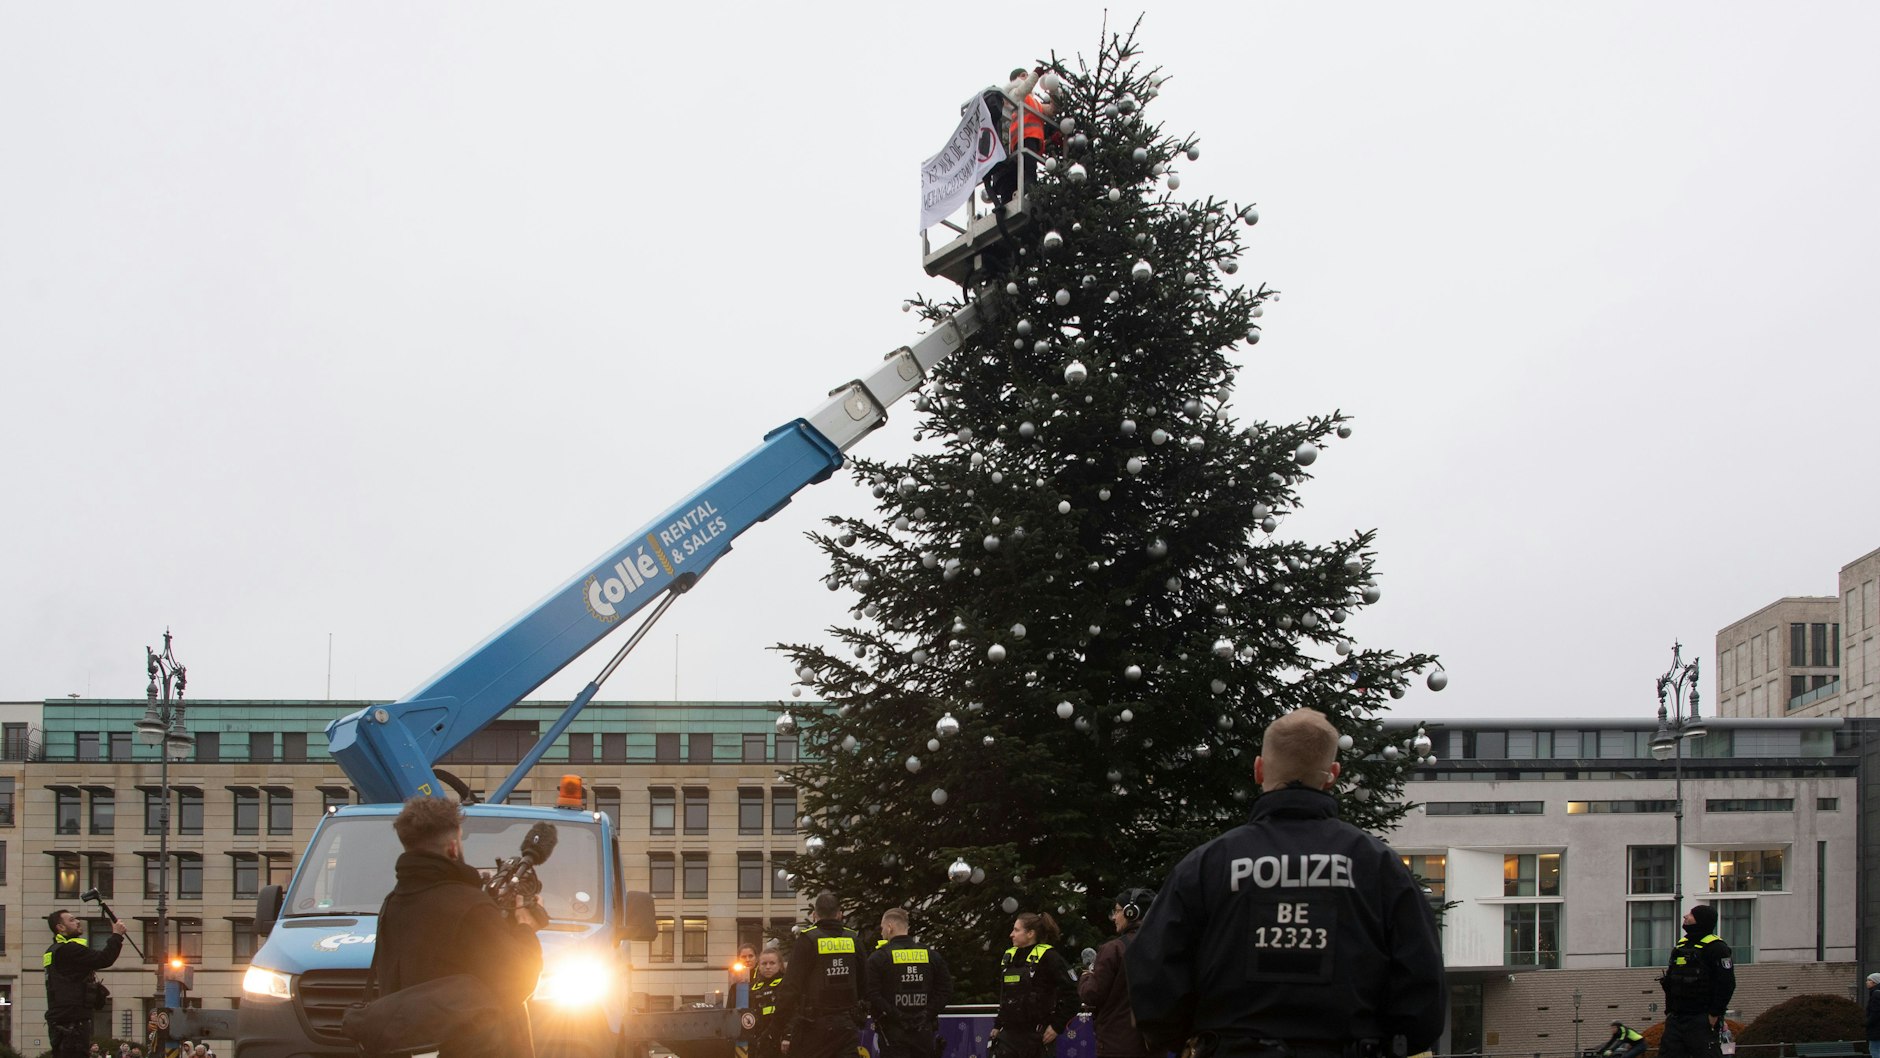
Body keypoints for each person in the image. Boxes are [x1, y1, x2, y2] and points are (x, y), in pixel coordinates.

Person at [1126, 708, 1447, 1058]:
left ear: (1259, 769)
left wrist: (1180, 1038)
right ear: (1332, 776)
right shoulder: (1378, 866)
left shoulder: (1207, 865)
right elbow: (1421, 988)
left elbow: (1154, 973)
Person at [373, 796, 546, 1058]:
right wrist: (525, 928)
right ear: (453, 848)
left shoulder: (393, 903)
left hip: (409, 1046)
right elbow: (518, 982)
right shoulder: (470, 905)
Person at [778, 891, 864, 1058]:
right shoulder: (854, 940)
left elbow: (791, 987)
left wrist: (777, 1025)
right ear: (840, 914)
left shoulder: (807, 940)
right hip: (846, 1024)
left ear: (815, 915)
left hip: (814, 1026)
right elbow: (863, 983)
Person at [865, 908, 953, 1058]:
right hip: (923, 1032)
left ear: (889, 927)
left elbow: (871, 994)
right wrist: (926, 1014)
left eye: (882, 928)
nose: (881, 932)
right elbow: (945, 990)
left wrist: (897, 1015)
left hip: (892, 1034)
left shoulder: (879, 958)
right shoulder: (931, 955)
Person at [990, 912, 1079, 1058]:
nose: (1011, 934)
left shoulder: (1049, 957)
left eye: (1016, 930)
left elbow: (1073, 995)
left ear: (1030, 933)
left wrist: (1057, 1026)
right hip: (1008, 1037)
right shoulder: (1009, 957)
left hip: (1036, 1037)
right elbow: (1006, 996)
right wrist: (998, 1025)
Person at [1080, 889, 1155, 1058]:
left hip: (1118, 1044)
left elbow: (1092, 994)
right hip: (1154, 1045)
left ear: (1131, 912)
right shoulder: (1165, 947)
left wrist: (1085, 978)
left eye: (1117, 910)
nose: (1114, 917)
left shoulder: (1114, 949)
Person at [43, 909, 127, 1058]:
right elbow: (103, 959)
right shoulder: (70, 950)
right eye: (71, 920)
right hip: (73, 1021)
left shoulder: (53, 950)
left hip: (60, 1019)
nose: (77, 922)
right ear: (60, 927)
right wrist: (117, 935)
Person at [1658, 903, 1735, 1058]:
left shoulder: (1717, 948)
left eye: (1691, 914)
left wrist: (1714, 1014)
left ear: (1701, 920)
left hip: (1701, 1017)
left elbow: (1727, 983)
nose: (1685, 916)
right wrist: (1669, 1012)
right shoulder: (1681, 945)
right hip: (1676, 1017)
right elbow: (1671, 981)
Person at [748, 949, 788, 1058]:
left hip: (779, 1041)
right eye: (764, 963)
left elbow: (793, 1012)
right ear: (759, 966)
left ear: (780, 965)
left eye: (772, 963)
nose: (768, 967)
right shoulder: (754, 987)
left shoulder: (786, 985)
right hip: (759, 1041)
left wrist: (787, 1036)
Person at [1864, 971, 1880, 1058]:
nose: (1867, 982)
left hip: (1876, 1029)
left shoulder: (1876, 994)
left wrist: (1867, 1023)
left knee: (1874, 1049)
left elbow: (1875, 1013)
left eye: (1869, 980)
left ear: (1874, 982)